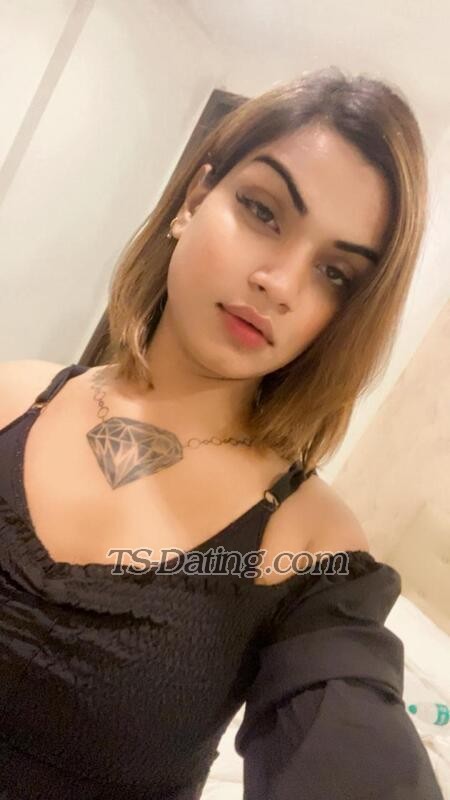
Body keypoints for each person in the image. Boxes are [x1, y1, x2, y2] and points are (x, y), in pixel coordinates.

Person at [0, 66, 444, 799]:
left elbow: (350, 737)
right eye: (264, 211)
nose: (281, 282)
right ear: (194, 198)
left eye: (335, 273)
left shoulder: (309, 540)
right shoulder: (14, 397)